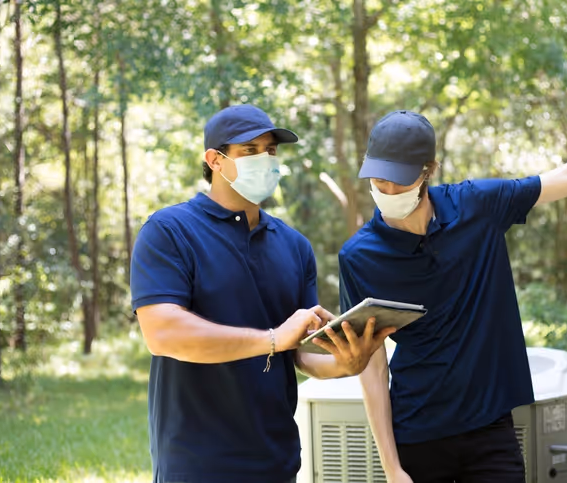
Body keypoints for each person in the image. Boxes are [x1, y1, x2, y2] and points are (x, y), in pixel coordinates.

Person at [340, 67, 567, 482]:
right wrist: (392, 469)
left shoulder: (477, 207)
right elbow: (372, 368)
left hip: (490, 431)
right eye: (377, 179)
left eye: (397, 180)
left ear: (428, 171)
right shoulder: (358, 257)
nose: (386, 190)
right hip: (416, 437)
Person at [130, 104, 395, 483]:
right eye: (249, 151)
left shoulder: (294, 245)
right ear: (215, 161)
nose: (265, 160)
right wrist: (271, 339)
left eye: (270, 150)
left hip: (278, 463)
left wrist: (345, 365)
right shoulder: (169, 231)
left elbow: (300, 353)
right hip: (196, 463)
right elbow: (163, 334)